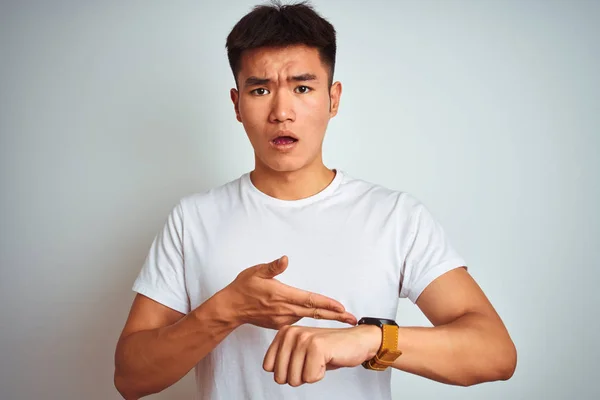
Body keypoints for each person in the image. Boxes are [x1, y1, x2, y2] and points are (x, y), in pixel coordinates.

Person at [113, 2, 517, 399]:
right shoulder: (192, 219)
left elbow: (495, 353)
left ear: (333, 98)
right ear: (237, 105)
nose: (281, 111)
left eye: (302, 87)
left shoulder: (395, 216)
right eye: (260, 89)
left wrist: (370, 341)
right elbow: (130, 377)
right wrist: (226, 310)